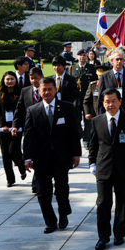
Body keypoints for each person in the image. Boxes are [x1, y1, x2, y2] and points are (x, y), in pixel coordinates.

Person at [23, 77, 81, 234]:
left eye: (50, 89)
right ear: (39, 91)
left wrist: (76, 153)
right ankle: (50, 221)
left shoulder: (67, 107)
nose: (47, 92)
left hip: (62, 156)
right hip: (41, 158)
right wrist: (27, 157)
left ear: (55, 90)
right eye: (44, 90)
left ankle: (63, 215)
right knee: (42, 193)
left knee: (61, 188)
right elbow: (28, 136)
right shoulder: (32, 110)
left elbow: (73, 133)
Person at [89, 88, 125, 250]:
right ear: (102, 103)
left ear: (120, 101)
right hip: (103, 168)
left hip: (123, 168)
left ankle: (119, 233)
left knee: (122, 202)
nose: (110, 104)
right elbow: (93, 145)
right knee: (103, 203)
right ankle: (103, 237)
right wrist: (92, 163)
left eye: (113, 101)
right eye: (106, 101)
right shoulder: (97, 121)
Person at [12, 67, 43, 193]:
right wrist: (15, 125)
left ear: (41, 77)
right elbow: (19, 110)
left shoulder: (46, 90)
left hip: (44, 129)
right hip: (29, 129)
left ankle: (36, 182)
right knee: (31, 154)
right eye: (31, 78)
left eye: (36, 78)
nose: (34, 80)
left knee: (40, 157)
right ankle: (37, 180)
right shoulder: (25, 91)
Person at [0, 72, 26, 187]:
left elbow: (21, 111)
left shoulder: (20, 93)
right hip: (2, 128)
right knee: (5, 154)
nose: (10, 81)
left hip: (16, 127)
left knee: (13, 150)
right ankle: (10, 179)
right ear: (4, 81)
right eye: (7, 79)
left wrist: (17, 125)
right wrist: (1, 125)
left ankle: (21, 167)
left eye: (12, 79)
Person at [97, 51, 125, 120]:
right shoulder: (104, 76)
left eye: (121, 59)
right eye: (117, 59)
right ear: (112, 61)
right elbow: (100, 97)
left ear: (124, 61)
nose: (119, 61)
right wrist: (100, 115)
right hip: (110, 113)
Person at [71, 49, 97, 149]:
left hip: (88, 98)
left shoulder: (91, 68)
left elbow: (94, 83)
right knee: (76, 120)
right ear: (77, 57)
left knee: (88, 120)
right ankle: (78, 136)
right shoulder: (72, 68)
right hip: (76, 98)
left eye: (84, 55)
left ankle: (87, 139)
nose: (82, 57)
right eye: (80, 55)